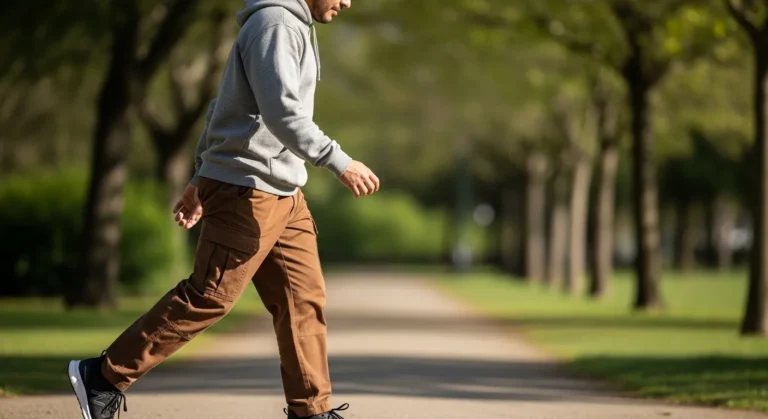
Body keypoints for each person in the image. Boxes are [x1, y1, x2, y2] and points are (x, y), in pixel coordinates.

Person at [67, 0, 378, 418]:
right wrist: (339, 161)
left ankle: (311, 410)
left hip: (285, 190)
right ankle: (103, 377)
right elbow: (282, 113)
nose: (347, 2)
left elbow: (222, 106)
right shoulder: (275, 24)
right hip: (247, 187)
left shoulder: (291, 25)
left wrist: (200, 176)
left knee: (303, 299)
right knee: (210, 296)